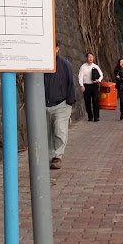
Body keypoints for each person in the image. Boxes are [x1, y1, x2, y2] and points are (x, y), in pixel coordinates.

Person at [45, 42, 77, 170]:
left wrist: (69, 102)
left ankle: (57, 156)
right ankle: (49, 154)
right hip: (43, 104)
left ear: (57, 49)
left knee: (59, 129)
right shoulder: (40, 64)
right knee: (47, 132)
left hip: (62, 104)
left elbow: (70, 83)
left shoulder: (65, 65)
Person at [77, 53, 103, 122]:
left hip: (94, 85)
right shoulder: (83, 67)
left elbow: (101, 75)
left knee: (95, 101)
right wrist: (81, 85)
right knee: (87, 101)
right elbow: (80, 76)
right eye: (89, 57)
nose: (90, 58)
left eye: (92, 57)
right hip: (86, 86)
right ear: (86, 58)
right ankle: (90, 116)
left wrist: (98, 80)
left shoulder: (96, 66)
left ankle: (96, 117)